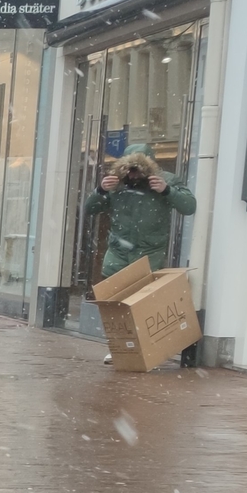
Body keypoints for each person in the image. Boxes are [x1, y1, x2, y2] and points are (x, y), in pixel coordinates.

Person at [84, 151, 197, 361]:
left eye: (137, 172)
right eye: (129, 172)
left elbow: (189, 206)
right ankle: (122, 346)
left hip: (149, 251)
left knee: (142, 303)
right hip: (119, 251)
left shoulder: (165, 180)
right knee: (116, 303)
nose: (133, 177)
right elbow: (90, 209)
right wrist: (100, 190)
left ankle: (143, 347)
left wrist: (167, 191)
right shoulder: (116, 184)